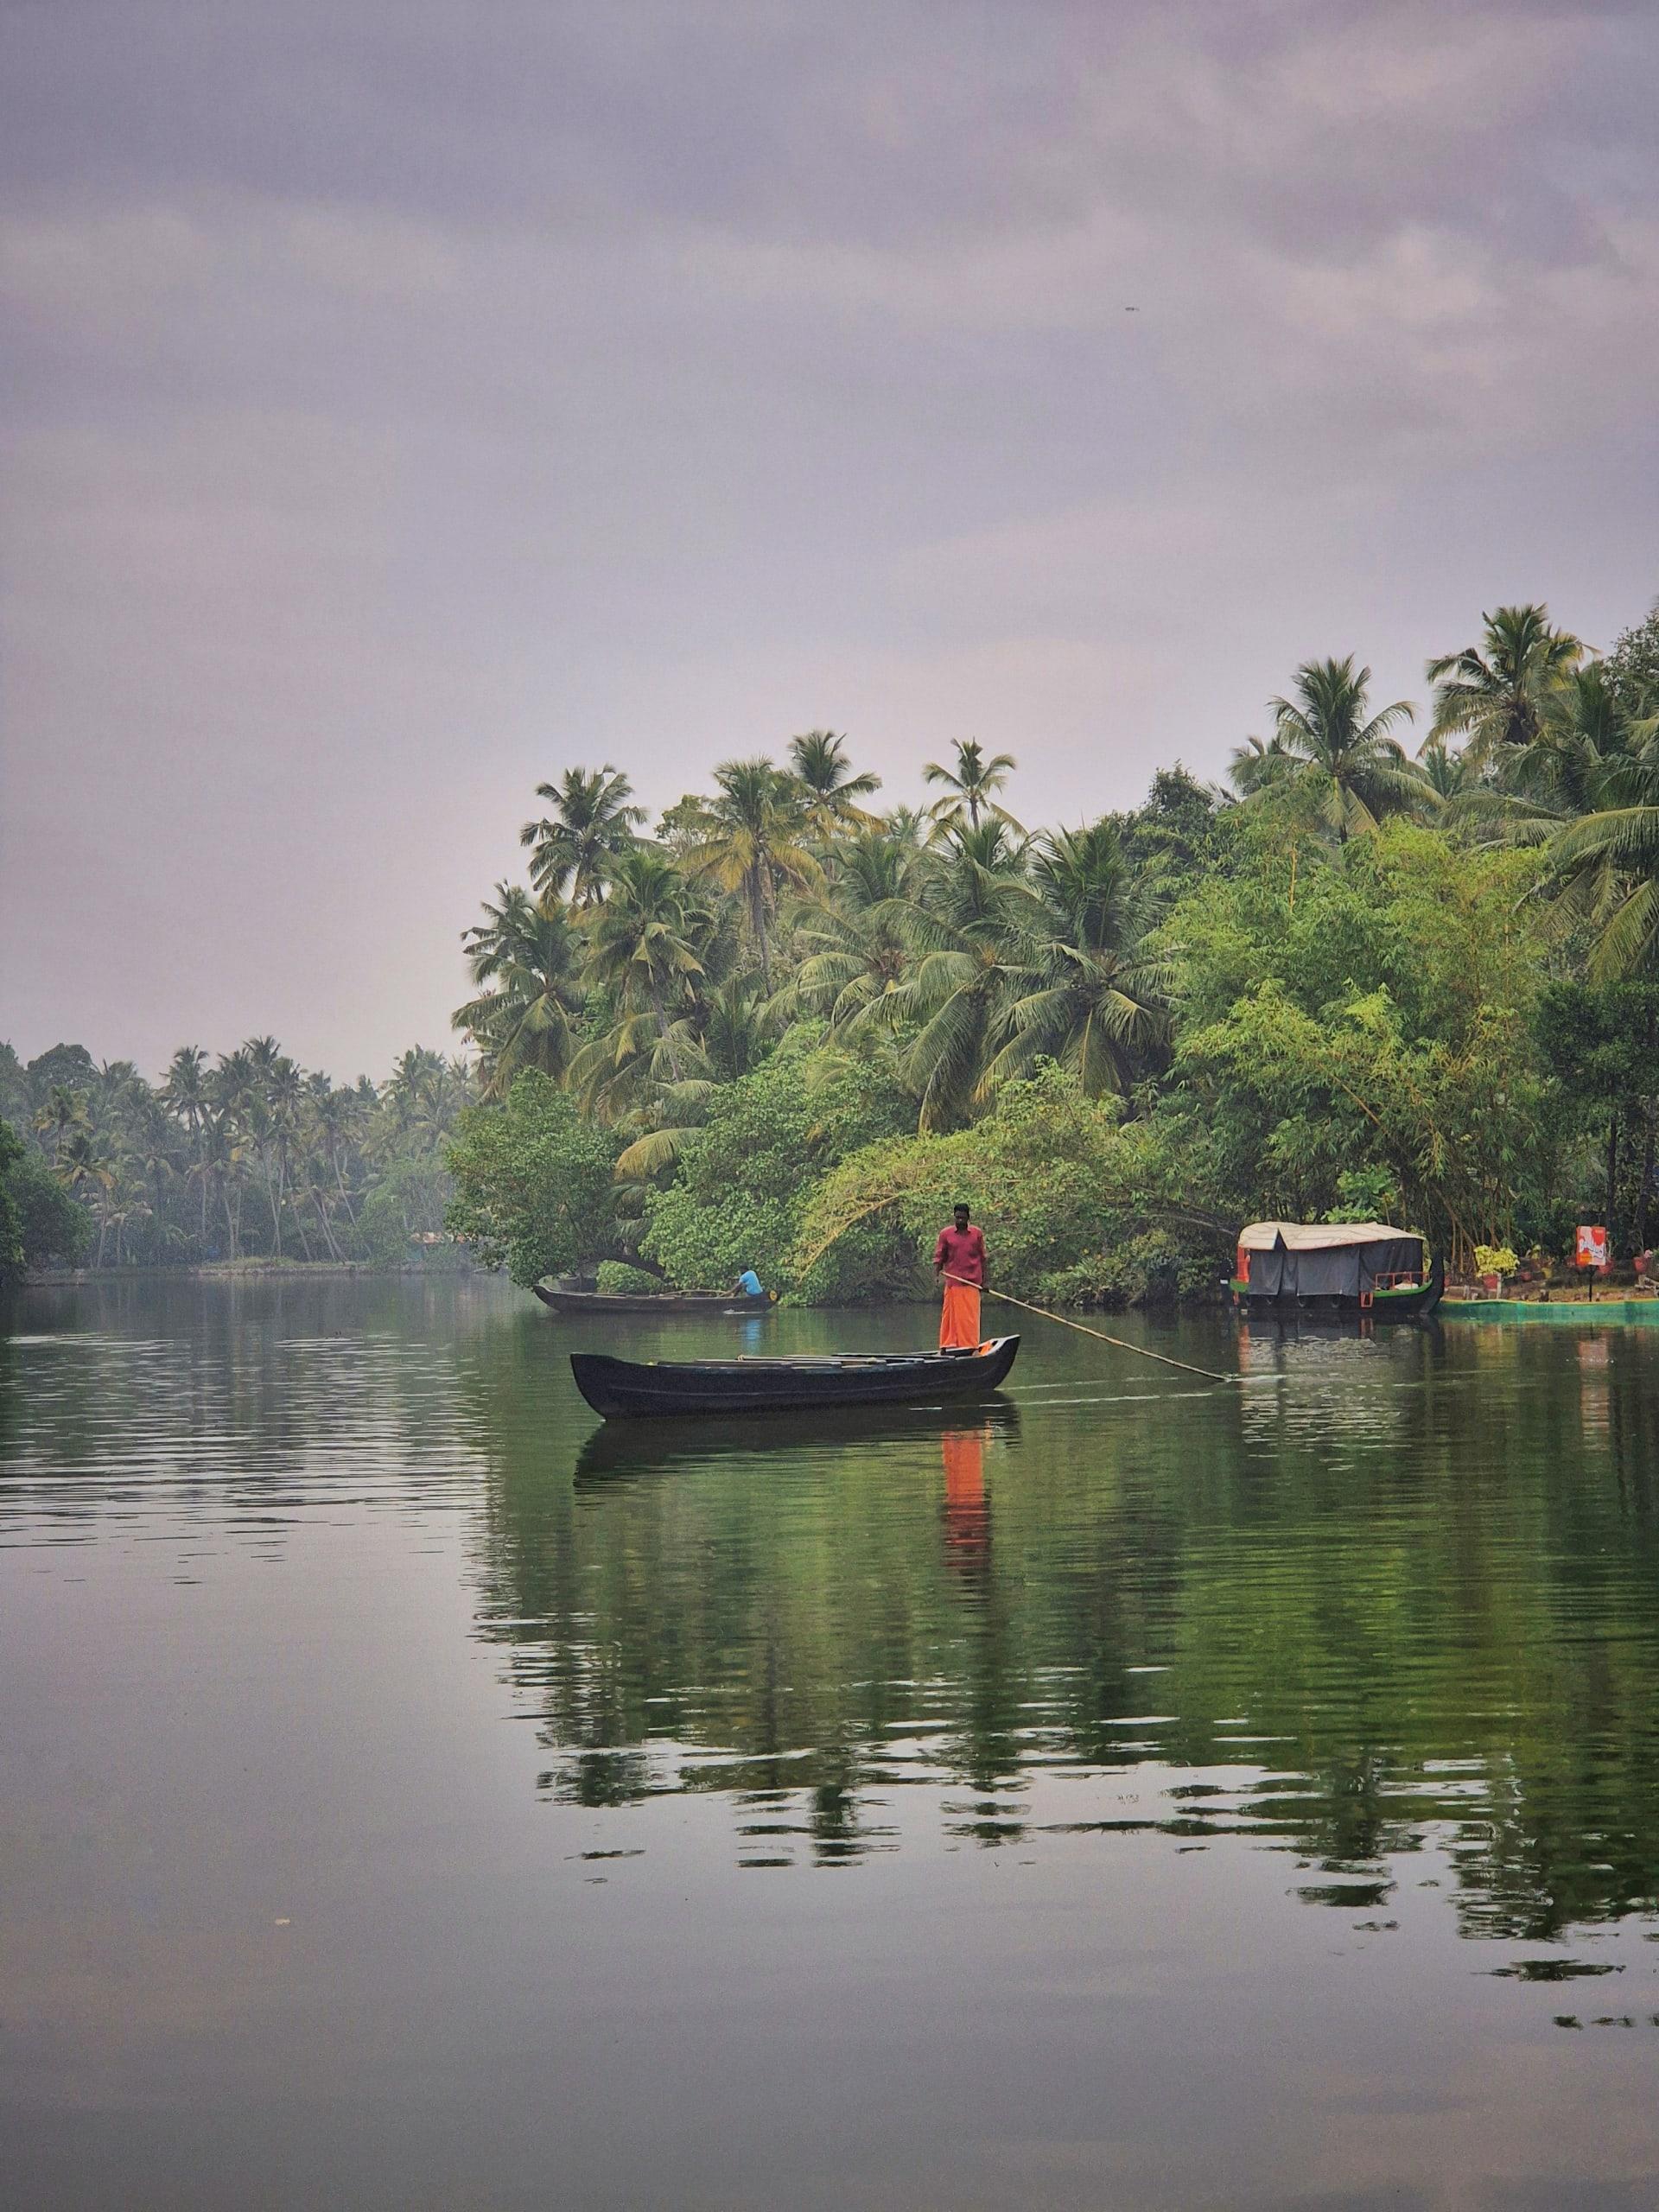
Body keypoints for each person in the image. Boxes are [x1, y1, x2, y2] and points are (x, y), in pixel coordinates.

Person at [932, 1203, 988, 1352]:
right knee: (949, 1318)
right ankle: (946, 1347)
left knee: (970, 1318)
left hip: (972, 1283)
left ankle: (971, 1347)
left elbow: (983, 1258)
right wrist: (937, 1275)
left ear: (968, 1218)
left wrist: (985, 1281)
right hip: (953, 1283)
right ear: (954, 1217)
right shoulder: (946, 1234)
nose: (960, 1221)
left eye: (963, 1218)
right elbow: (939, 1256)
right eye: (957, 1218)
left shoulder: (976, 1234)